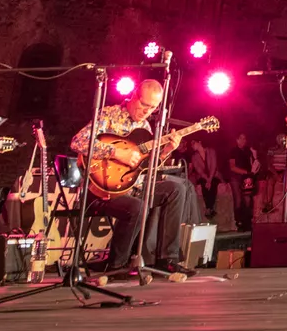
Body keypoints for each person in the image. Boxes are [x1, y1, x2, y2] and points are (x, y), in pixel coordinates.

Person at [71, 78, 199, 277]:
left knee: (177, 189)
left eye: (152, 108)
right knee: (137, 207)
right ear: (133, 96)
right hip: (102, 191)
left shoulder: (146, 128)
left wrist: (166, 150)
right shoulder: (109, 114)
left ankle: (167, 259)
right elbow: (78, 142)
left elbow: (145, 168)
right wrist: (117, 153)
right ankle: (116, 265)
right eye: (144, 105)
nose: (146, 112)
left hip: (133, 186)